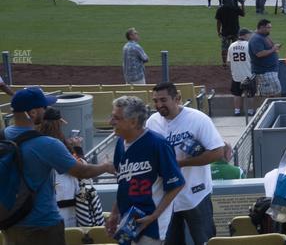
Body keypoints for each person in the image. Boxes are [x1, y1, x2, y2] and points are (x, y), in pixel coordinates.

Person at [4, 88, 113, 244]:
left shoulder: (3, 136)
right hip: (42, 225)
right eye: (43, 107)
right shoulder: (47, 144)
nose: (46, 110)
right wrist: (106, 166)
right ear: (32, 113)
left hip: (11, 223)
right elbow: (82, 172)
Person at [147, 83, 226, 245]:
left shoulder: (198, 119)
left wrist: (180, 163)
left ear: (177, 99)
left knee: (205, 240)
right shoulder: (152, 122)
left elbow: (218, 152)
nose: (159, 105)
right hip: (166, 197)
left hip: (196, 193)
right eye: (155, 101)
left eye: (163, 100)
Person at [106, 95, 185, 245]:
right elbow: (123, 183)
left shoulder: (158, 144)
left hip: (151, 224)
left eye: (117, 118)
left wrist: (154, 216)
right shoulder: (120, 143)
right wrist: (115, 213)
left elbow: (177, 184)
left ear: (133, 121)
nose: (110, 122)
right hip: (127, 221)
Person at [35, 106, 85, 228]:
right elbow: (81, 169)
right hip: (65, 202)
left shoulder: (34, 142)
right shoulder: (59, 145)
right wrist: (77, 148)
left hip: (43, 206)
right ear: (59, 123)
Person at [249, 19, 283, 100]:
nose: (270, 29)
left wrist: (275, 48)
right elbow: (259, 53)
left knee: (273, 93)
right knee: (271, 94)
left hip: (269, 71)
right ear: (261, 27)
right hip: (264, 72)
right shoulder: (256, 39)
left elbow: (269, 48)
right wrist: (273, 49)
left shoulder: (264, 36)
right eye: (268, 27)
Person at [227, 28, 255, 116]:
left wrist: (233, 70)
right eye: (249, 34)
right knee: (250, 94)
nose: (250, 36)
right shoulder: (249, 45)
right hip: (248, 75)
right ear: (245, 35)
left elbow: (229, 62)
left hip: (236, 75)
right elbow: (254, 60)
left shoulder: (231, 46)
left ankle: (237, 111)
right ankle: (250, 111)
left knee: (237, 94)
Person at [215, 0, 244, 67]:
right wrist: (242, 4)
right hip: (235, 31)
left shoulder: (220, 9)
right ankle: (236, 62)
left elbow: (218, 22)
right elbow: (243, 14)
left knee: (224, 47)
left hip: (225, 32)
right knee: (236, 47)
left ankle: (224, 63)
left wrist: (218, 31)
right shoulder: (235, 7)